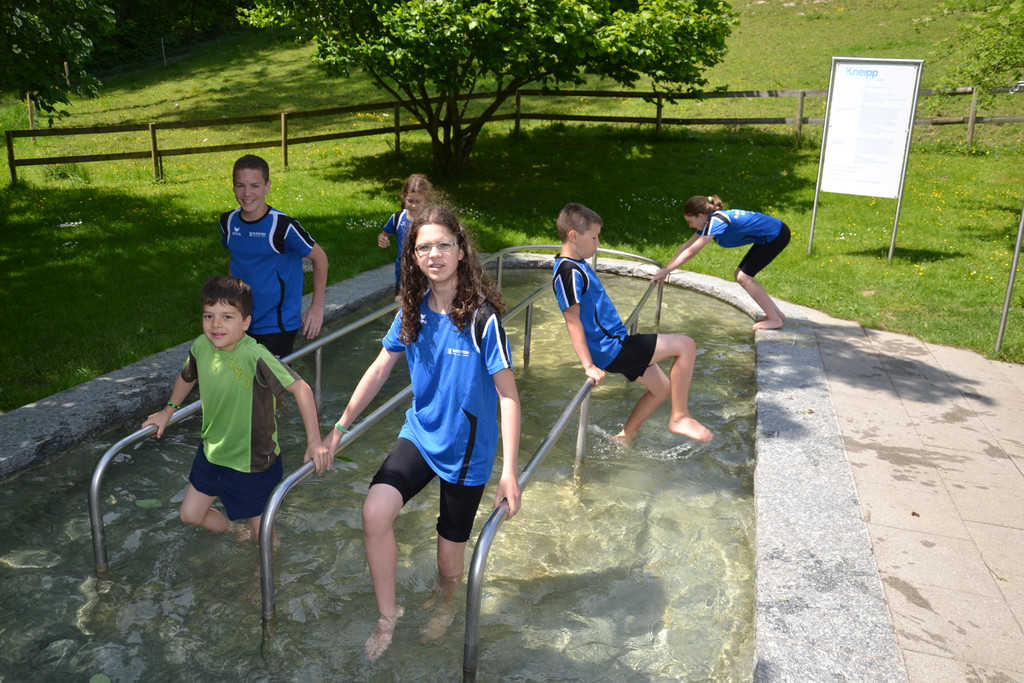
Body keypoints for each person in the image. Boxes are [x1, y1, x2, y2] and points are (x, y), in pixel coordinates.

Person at [322, 204, 522, 662]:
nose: (434, 254)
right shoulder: (412, 310)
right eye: (424, 247)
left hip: (467, 450)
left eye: (443, 245)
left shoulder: (482, 319)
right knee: (375, 512)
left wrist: (509, 472)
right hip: (422, 434)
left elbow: (509, 396)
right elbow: (379, 368)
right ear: (412, 256)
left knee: (449, 561)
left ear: (461, 250)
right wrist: (339, 428)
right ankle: (387, 616)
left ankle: (446, 601)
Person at [142, 275, 331, 545]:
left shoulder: (255, 355)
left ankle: (266, 568)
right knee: (190, 514)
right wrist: (168, 411)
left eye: (227, 317)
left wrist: (314, 442)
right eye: (209, 316)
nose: (216, 324)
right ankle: (233, 530)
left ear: (245, 322)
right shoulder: (201, 346)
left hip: (252, 462)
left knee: (261, 533)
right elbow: (187, 377)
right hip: (213, 453)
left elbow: (301, 388)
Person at [552, 203, 713, 446]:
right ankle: (680, 417)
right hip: (613, 348)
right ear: (573, 236)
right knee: (686, 345)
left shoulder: (577, 264)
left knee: (662, 389)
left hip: (616, 343)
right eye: (594, 237)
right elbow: (572, 320)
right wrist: (589, 366)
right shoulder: (568, 271)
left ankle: (624, 438)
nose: (598, 243)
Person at [220, 154, 329, 357]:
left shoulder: (282, 227)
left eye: (255, 186)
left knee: (270, 376)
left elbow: (320, 257)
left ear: (268, 186)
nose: (247, 193)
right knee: (241, 373)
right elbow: (235, 258)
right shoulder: (228, 221)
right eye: (240, 185)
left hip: (277, 324)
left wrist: (317, 306)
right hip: (242, 319)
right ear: (233, 187)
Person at [651, 195, 791, 331]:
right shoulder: (709, 221)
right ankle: (777, 315)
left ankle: (775, 320)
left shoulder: (717, 221)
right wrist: (666, 269)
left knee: (744, 277)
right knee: (740, 275)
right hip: (771, 235)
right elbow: (686, 246)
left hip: (776, 235)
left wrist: (667, 271)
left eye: (690, 221)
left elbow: (692, 251)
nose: (690, 226)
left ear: (701, 216)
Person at [377, 173, 433, 295]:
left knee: (427, 301)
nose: (413, 205)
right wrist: (382, 239)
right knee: (401, 301)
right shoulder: (397, 218)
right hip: (403, 270)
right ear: (403, 197)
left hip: (427, 270)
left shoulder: (431, 219)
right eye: (410, 201)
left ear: (425, 199)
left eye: (418, 202)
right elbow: (384, 234)